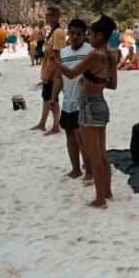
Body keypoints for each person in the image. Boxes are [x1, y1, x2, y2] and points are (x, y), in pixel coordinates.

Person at [52, 15, 117, 208]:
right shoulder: (110, 56)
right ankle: (107, 191)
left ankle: (99, 198)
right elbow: (112, 84)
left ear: (99, 35)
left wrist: (55, 61)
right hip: (100, 103)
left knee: (93, 154)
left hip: (88, 104)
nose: (89, 37)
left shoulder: (94, 55)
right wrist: (92, 80)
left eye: (91, 33)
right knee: (102, 153)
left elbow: (71, 73)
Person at [56, 19, 92, 180]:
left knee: (83, 137)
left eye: (79, 34)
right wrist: (53, 96)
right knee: (69, 134)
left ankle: (89, 171)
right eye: (72, 33)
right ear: (68, 33)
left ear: (85, 35)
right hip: (67, 101)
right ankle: (76, 169)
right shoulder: (63, 53)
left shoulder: (90, 51)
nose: (75, 37)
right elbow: (59, 77)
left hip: (83, 101)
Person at [32, 7, 65, 135]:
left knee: (52, 99)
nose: (46, 17)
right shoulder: (52, 31)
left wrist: (49, 73)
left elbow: (57, 56)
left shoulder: (58, 32)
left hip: (54, 72)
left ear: (55, 16)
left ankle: (56, 125)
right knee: (46, 98)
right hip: (49, 69)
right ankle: (42, 123)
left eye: (48, 15)